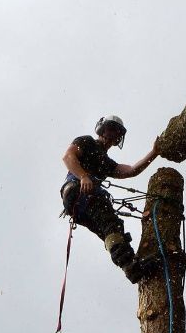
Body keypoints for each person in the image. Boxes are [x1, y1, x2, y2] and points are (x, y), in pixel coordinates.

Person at [61, 115, 159, 283]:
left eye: (117, 132)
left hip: (81, 205)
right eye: (111, 129)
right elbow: (68, 157)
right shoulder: (86, 142)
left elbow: (131, 171)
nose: (113, 134)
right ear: (102, 129)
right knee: (109, 222)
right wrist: (83, 176)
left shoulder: (106, 162)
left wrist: (154, 152)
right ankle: (131, 267)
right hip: (77, 191)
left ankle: (131, 265)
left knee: (112, 230)